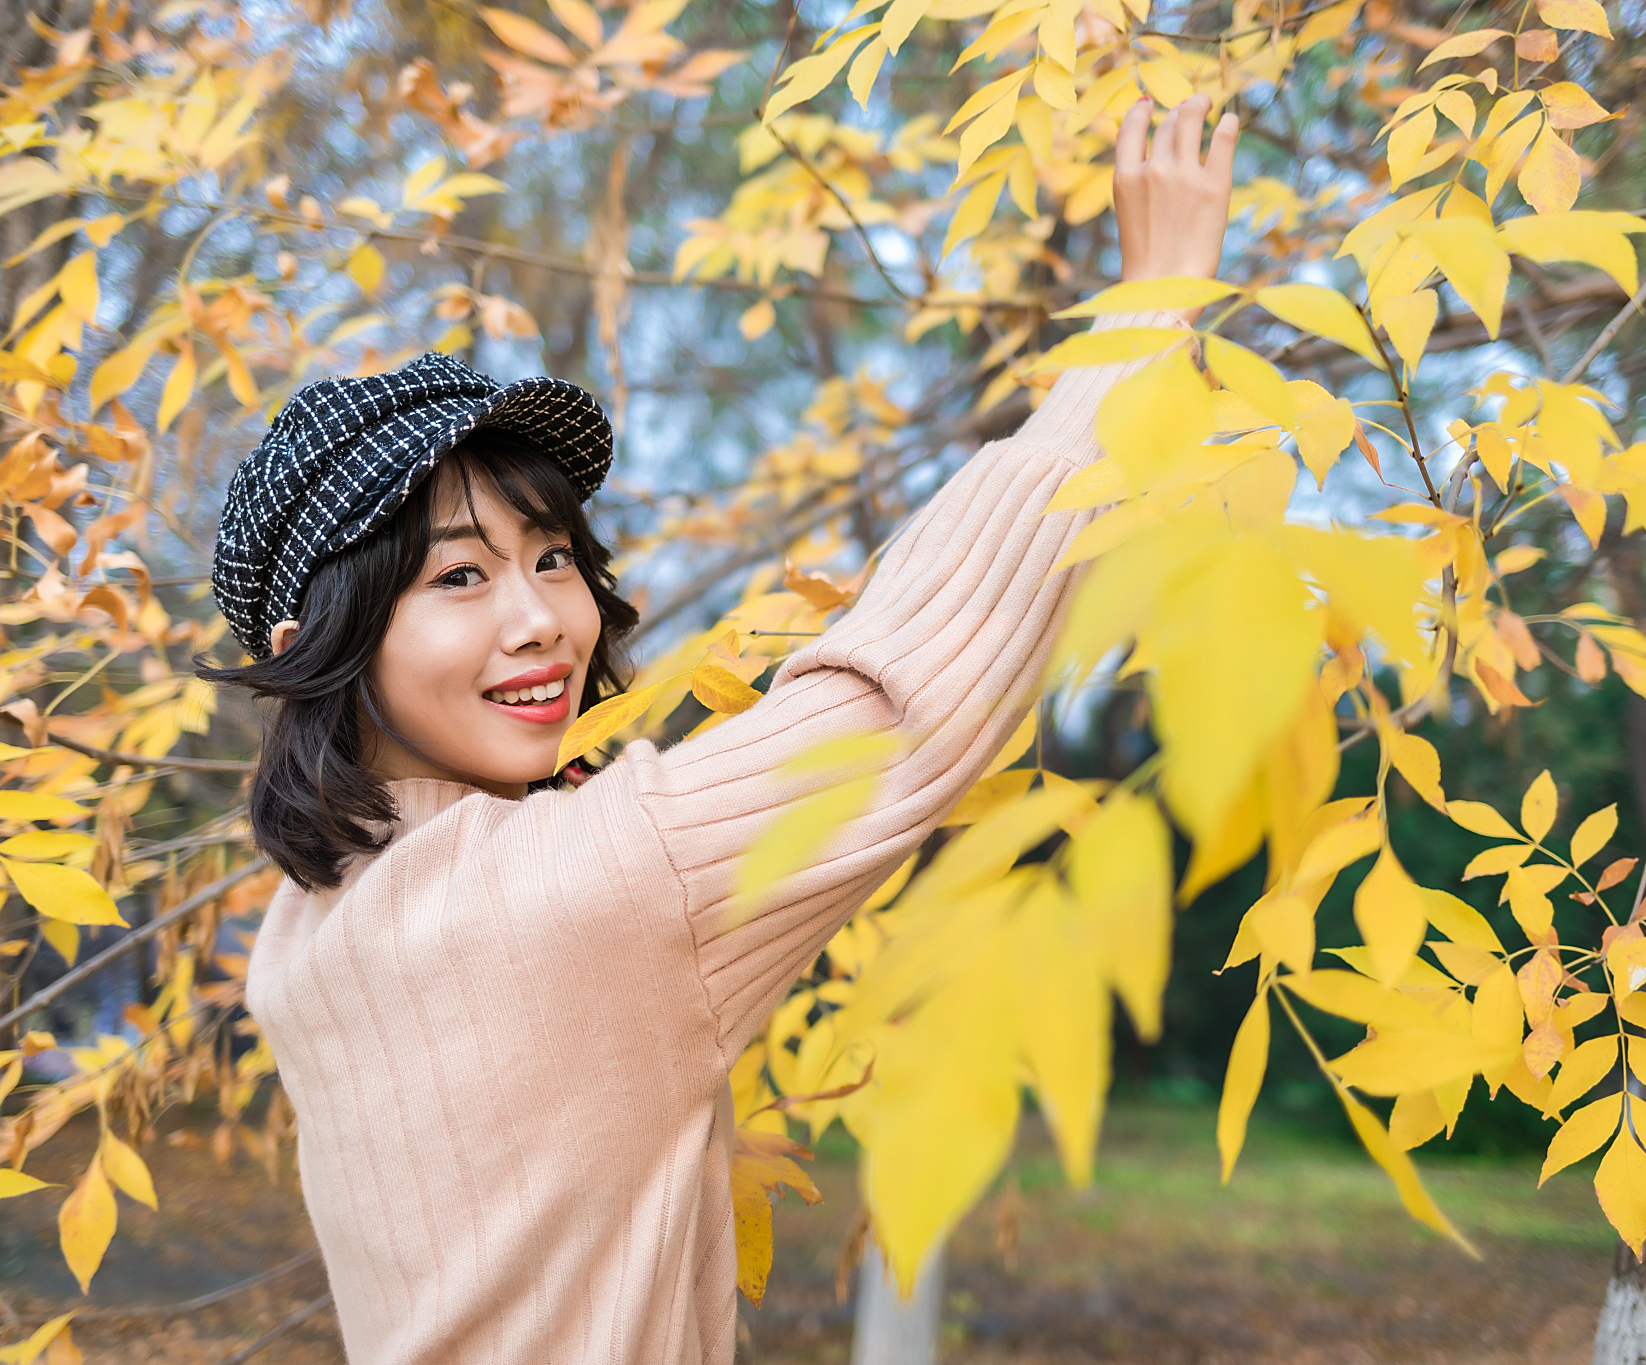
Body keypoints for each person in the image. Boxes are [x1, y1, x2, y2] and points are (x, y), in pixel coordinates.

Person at [203, 94, 1239, 1365]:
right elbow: (891, 709)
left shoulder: (310, 932)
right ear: (318, 647)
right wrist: (1144, 320)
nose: (542, 621)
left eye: (552, 557)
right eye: (458, 576)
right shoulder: (573, 896)